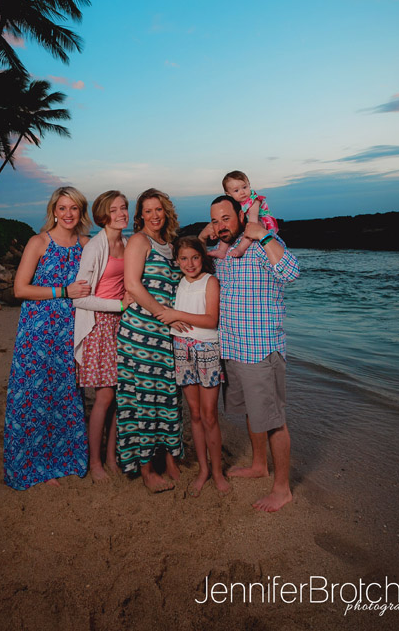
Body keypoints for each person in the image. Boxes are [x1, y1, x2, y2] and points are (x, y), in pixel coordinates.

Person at [202, 195, 299, 512]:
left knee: (273, 420)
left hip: (260, 350)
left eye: (226, 218)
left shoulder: (259, 245)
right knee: (251, 412)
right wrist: (209, 232)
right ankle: (259, 465)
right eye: (215, 220)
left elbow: (291, 271)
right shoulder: (223, 253)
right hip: (231, 348)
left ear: (241, 217)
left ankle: (282, 488)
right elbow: (190, 251)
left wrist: (264, 233)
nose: (220, 226)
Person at [3, 187, 92, 490]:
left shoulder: (86, 244)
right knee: (33, 396)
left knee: (64, 396)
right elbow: (20, 289)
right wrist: (62, 291)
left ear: (81, 212)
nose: (68, 214)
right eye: (63, 208)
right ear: (54, 210)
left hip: (72, 330)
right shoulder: (39, 242)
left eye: (74, 209)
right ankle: (33, 465)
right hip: (38, 331)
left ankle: (62, 461)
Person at [116, 188, 185, 492]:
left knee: (168, 397)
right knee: (143, 398)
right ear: (140, 216)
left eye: (159, 209)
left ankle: (170, 459)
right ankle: (145, 468)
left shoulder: (170, 245)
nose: (154, 215)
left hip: (165, 335)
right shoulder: (138, 241)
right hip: (140, 332)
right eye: (148, 211)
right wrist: (162, 312)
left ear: (166, 211)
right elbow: (132, 283)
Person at [157, 236, 230, 497]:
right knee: (195, 414)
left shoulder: (210, 282)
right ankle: (203, 470)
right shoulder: (178, 284)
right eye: (184, 258)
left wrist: (175, 315)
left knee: (210, 415)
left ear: (203, 258)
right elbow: (164, 312)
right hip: (182, 349)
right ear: (176, 261)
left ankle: (218, 472)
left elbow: (211, 320)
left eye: (195, 257)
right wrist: (170, 320)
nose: (190, 263)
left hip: (207, 350)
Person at [73, 191, 133, 482]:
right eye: (114, 210)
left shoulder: (128, 243)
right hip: (99, 326)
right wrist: (119, 305)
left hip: (123, 326)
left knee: (119, 396)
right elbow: (80, 299)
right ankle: (95, 461)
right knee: (104, 396)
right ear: (103, 215)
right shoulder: (95, 247)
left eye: (124, 208)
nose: (122, 213)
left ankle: (111, 457)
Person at [211, 170, 278, 260]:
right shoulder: (234, 203)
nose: (242, 192)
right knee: (227, 227)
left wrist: (249, 229)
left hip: (263, 221)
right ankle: (222, 251)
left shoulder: (254, 201)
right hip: (246, 220)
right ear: (228, 194)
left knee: (252, 227)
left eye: (244, 187)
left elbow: (253, 220)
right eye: (236, 190)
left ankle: (241, 249)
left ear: (249, 185)